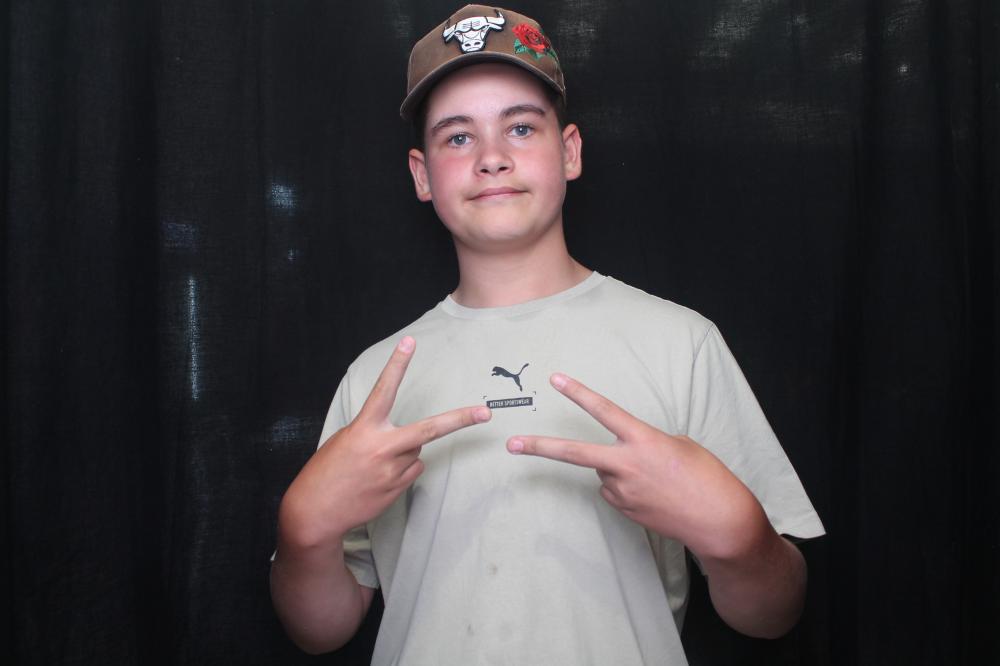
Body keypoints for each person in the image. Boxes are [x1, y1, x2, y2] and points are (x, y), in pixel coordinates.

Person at [270, 5, 824, 664]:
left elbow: (774, 617)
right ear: (421, 175)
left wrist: (741, 537)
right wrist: (303, 531)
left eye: (521, 127)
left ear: (569, 152)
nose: (492, 159)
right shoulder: (376, 375)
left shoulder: (681, 343)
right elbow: (320, 631)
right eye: (458, 137)